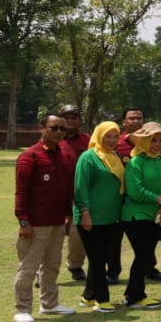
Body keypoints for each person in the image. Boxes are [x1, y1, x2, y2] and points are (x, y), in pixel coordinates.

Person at [12, 113, 76, 322]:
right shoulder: (30, 156)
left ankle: (49, 304)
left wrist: (67, 215)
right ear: (42, 128)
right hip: (36, 224)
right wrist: (23, 221)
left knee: (52, 266)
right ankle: (22, 308)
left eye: (62, 129)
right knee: (29, 268)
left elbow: (66, 190)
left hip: (57, 222)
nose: (58, 132)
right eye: (54, 127)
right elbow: (21, 192)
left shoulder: (65, 155)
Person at [72, 120, 126, 313]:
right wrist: (85, 212)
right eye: (107, 136)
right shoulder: (88, 157)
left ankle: (88, 296)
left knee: (101, 257)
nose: (111, 140)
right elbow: (80, 188)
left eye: (115, 136)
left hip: (111, 218)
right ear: (98, 136)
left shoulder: (115, 156)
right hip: (91, 217)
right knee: (97, 259)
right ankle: (102, 300)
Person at [120, 121, 161, 310]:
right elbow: (135, 191)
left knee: (147, 256)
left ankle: (133, 294)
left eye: (160, 140)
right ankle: (134, 296)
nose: (158, 144)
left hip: (156, 215)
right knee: (143, 255)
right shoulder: (136, 162)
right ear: (143, 142)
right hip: (136, 215)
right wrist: (159, 200)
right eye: (153, 140)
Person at [107, 106, 144, 284]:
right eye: (132, 118)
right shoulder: (116, 144)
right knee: (114, 238)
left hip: (141, 199)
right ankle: (113, 271)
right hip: (119, 197)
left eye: (139, 118)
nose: (136, 121)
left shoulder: (148, 143)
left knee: (145, 236)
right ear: (124, 122)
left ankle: (149, 267)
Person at [59, 104, 90, 282]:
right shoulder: (54, 137)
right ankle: (44, 271)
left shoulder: (87, 140)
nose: (71, 121)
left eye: (74, 117)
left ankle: (75, 265)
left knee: (78, 232)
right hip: (57, 192)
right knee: (51, 233)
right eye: (67, 117)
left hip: (79, 192)